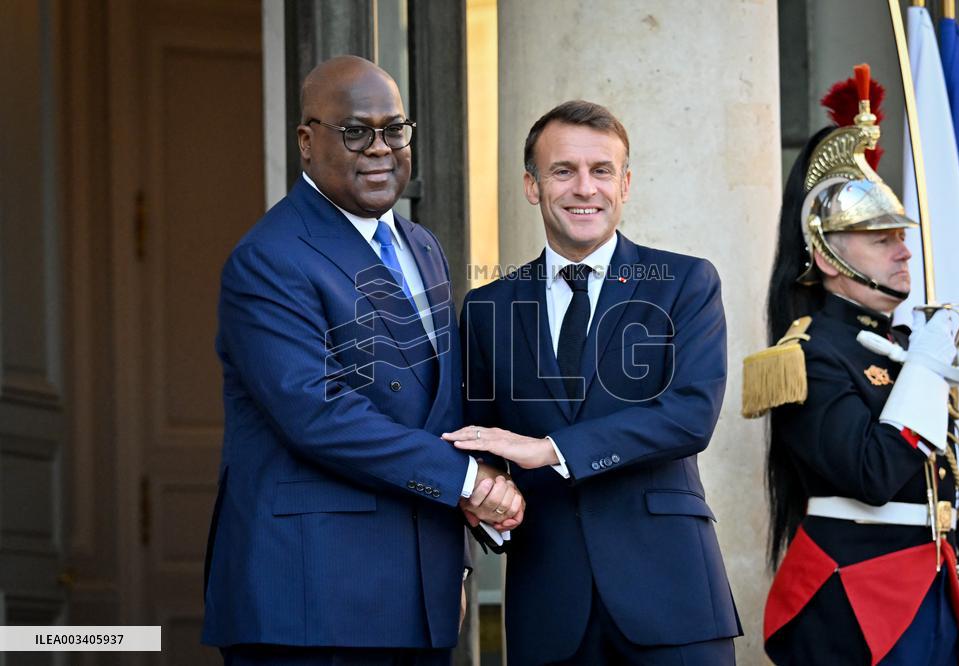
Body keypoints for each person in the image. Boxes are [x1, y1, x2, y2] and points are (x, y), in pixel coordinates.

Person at [201, 55, 523, 666]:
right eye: (355, 131)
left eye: (394, 129)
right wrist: (470, 482)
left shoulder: (421, 245)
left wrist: (451, 560)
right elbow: (317, 412)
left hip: (415, 598)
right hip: (311, 601)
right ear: (306, 140)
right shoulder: (268, 257)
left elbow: (437, 408)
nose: (380, 148)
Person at [443, 100, 740, 665]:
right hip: (547, 601)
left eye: (601, 171)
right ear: (532, 186)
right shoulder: (487, 309)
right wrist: (486, 494)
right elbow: (479, 442)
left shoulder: (683, 283)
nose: (585, 188)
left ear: (624, 184)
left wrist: (551, 450)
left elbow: (690, 415)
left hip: (673, 597)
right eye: (563, 171)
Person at [744, 66, 959, 665]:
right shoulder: (806, 355)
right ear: (828, 255)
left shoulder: (904, 343)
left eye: (897, 235)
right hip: (856, 592)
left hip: (931, 582)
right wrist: (925, 374)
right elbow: (874, 475)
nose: (903, 248)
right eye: (880, 238)